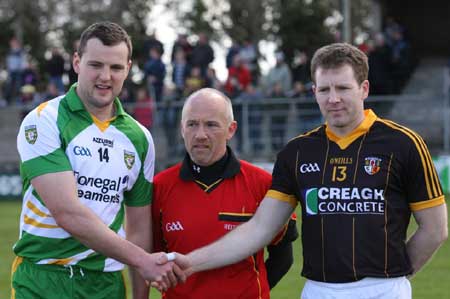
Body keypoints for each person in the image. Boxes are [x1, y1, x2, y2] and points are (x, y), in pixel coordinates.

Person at [160, 43, 448, 299]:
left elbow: (435, 229)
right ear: (314, 92)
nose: (333, 98)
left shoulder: (405, 143)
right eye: (324, 89)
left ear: (364, 89)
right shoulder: (297, 153)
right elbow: (259, 230)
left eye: (343, 88)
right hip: (319, 290)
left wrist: (394, 278)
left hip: (384, 289)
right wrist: (191, 262)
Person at [12, 21, 184, 299]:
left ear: (128, 68)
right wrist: (142, 260)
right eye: (96, 65)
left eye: (116, 68)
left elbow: (139, 228)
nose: (105, 76)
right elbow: (67, 212)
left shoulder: (139, 138)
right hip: (43, 280)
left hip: (105, 285)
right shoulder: (44, 120)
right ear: (77, 62)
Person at [150, 88, 298, 299]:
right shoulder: (159, 187)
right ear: (182, 129)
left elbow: (283, 257)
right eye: (192, 124)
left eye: (211, 125)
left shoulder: (263, 184)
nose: (200, 134)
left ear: (231, 129)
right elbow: (153, 261)